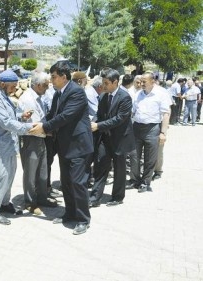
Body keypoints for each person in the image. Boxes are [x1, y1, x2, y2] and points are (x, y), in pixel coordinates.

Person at [29, 61, 94, 235]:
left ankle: (82, 219)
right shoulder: (59, 93)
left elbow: (66, 116)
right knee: (66, 182)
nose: (51, 80)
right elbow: (53, 115)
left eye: (54, 76)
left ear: (64, 77)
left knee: (78, 183)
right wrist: (41, 123)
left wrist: (44, 128)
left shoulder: (77, 92)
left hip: (79, 146)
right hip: (65, 145)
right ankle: (70, 213)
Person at [0, 69, 34, 224]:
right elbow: (5, 122)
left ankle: (4, 203)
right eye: (13, 86)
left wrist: (21, 116)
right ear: (3, 83)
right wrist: (29, 127)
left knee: (9, 175)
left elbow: (8, 117)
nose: (15, 89)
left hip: (8, 144)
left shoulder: (3, 96)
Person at [89, 68, 135, 207]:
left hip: (120, 139)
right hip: (105, 137)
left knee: (119, 169)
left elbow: (119, 119)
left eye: (106, 83)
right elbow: (100, 114)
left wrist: (98, 126)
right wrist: (93, 122)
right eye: (103, 82)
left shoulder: (125, 97)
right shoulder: (103, 96)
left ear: (115, 82)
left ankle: (117, 196)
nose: (103, 85)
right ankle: (95, 197)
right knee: (101, 165)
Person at [18, 72, 57, 215]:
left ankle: (42, 198)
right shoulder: (28, 99)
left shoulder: (38, 97)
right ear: (38, 85)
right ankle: (30, 202)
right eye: (46, 85)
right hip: (32, 138)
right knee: (31, 172)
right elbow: (34, 125)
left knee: (42, 171)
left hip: (41, 138)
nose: (47, 88)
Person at [128, 72, 171, 192]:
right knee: (134, 156)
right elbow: (133, 111)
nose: (141, 84)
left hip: (152, 129)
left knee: (150, 157)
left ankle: (145, 182)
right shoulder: (138, 94)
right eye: (140, 81)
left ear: (152, 81)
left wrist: (163, 133)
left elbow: (166, 114)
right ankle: (135, 179)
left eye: (144, 81)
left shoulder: (161, 93)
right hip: (137, 127)